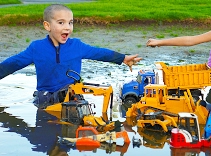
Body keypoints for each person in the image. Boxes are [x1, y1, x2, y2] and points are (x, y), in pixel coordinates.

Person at [0, 4, 142, 108]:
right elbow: (14, 63)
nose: (67, 27)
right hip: (45, 98)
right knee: (43, 130)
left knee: (71, 131)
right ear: (47, 25)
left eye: (70, 22)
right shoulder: (36, 48)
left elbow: (99, 53)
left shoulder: (77, 46)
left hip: (72, 96)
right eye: (61, 23)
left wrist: (122, 58)